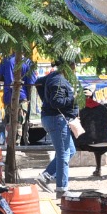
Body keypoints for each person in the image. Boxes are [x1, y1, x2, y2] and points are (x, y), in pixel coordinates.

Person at [34, 61, 79, 195]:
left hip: (55, 118)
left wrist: (45, 100)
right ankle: (62, 189)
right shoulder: (58, 80)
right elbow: (56, 102)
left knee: (70, 150)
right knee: (64, 154)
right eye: (74, 66)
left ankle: (46, 175)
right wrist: (72, 97)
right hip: (56, 119)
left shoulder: (53, 77)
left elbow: (38, 82)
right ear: (69, 67)